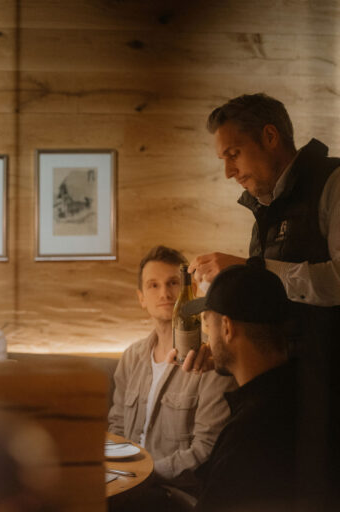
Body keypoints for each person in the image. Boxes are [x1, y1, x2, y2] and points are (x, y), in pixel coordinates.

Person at [108, 246, 234, 509]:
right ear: (141, 297)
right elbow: (117, 429)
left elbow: (206, 450)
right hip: (127, 488)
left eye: (173, 283)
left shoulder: (210, 359)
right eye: (153, 285)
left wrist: (142, 474)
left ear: (191, 291)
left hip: (178, 495)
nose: (164, 293)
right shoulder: (131, 357)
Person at [188, 93, 340, 307]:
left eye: (234, 154)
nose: (228, 172)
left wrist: (252, 270)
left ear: (270, 136)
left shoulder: (334, 182)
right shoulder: (264, 206)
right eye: (224, 160)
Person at [177, 260, 297, 512]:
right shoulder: (302, 392)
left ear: (227, 328)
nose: (208, 339)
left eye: (208, 325)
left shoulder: (250, 432)